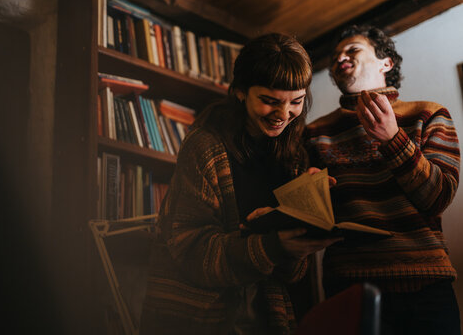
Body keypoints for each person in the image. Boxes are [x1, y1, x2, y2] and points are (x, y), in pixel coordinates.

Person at [139, 33, 342, 335]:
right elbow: (190, 251)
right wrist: (272, 246)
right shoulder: (205, 145)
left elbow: (291, 274)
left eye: (296, 102)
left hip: (265, 314)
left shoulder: (293, 155)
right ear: (240, 92)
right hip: (193, 316)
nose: (284, 115)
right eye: (269, 101)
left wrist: (304, 227)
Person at [306, 24, 461, 334]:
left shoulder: (429, 114)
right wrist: (308, 194)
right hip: (348, 285)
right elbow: (312, 224)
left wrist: (392, 139)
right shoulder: (313, 133)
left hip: (426, 283)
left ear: (386, 63)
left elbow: (437, 198)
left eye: (352, 50)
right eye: (335, 56)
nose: (340, 58)